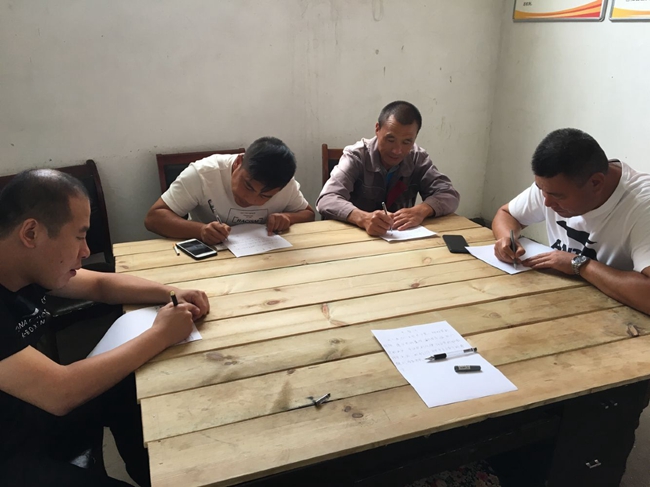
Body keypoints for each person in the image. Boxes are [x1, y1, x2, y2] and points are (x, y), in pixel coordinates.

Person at [0, 169, 210, 486]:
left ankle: (152, 475)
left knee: (127, 385)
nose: (86, 251)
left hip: (31, 410)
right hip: (11, 450)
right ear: (31, 234)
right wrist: (161, 334)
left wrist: (172, 293)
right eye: (79, 236)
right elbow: (60, 392)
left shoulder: (25, 264)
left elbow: (101, 285)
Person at [492, 128, 650, 315]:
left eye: (558, 196)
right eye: (541, 190)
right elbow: (507, 214)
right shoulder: (553, 185)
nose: (547, 203)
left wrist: (581, 265)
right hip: (563, 302)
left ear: (596, 183)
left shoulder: (642, 206)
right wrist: (506, 239)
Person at [316, 101, 460, 236]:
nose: (397, 150)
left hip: (400, 239)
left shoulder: (417, 158)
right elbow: (327, 199)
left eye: (407, 142)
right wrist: (363, 218)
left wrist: (422, 210)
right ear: (377, 129)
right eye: (390, 139)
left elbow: (448, 194)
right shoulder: (356, 156)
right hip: (354, 237)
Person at [145, 137, 315, 244]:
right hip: (209, 255)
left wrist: (288, 218)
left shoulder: (285, 184)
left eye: (265, 196)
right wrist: (200, 230)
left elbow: (308, 214)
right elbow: (154, 218)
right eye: (248, 186)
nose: (252, 200)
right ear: (238, 163)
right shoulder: (203, 174)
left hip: (263, 257)